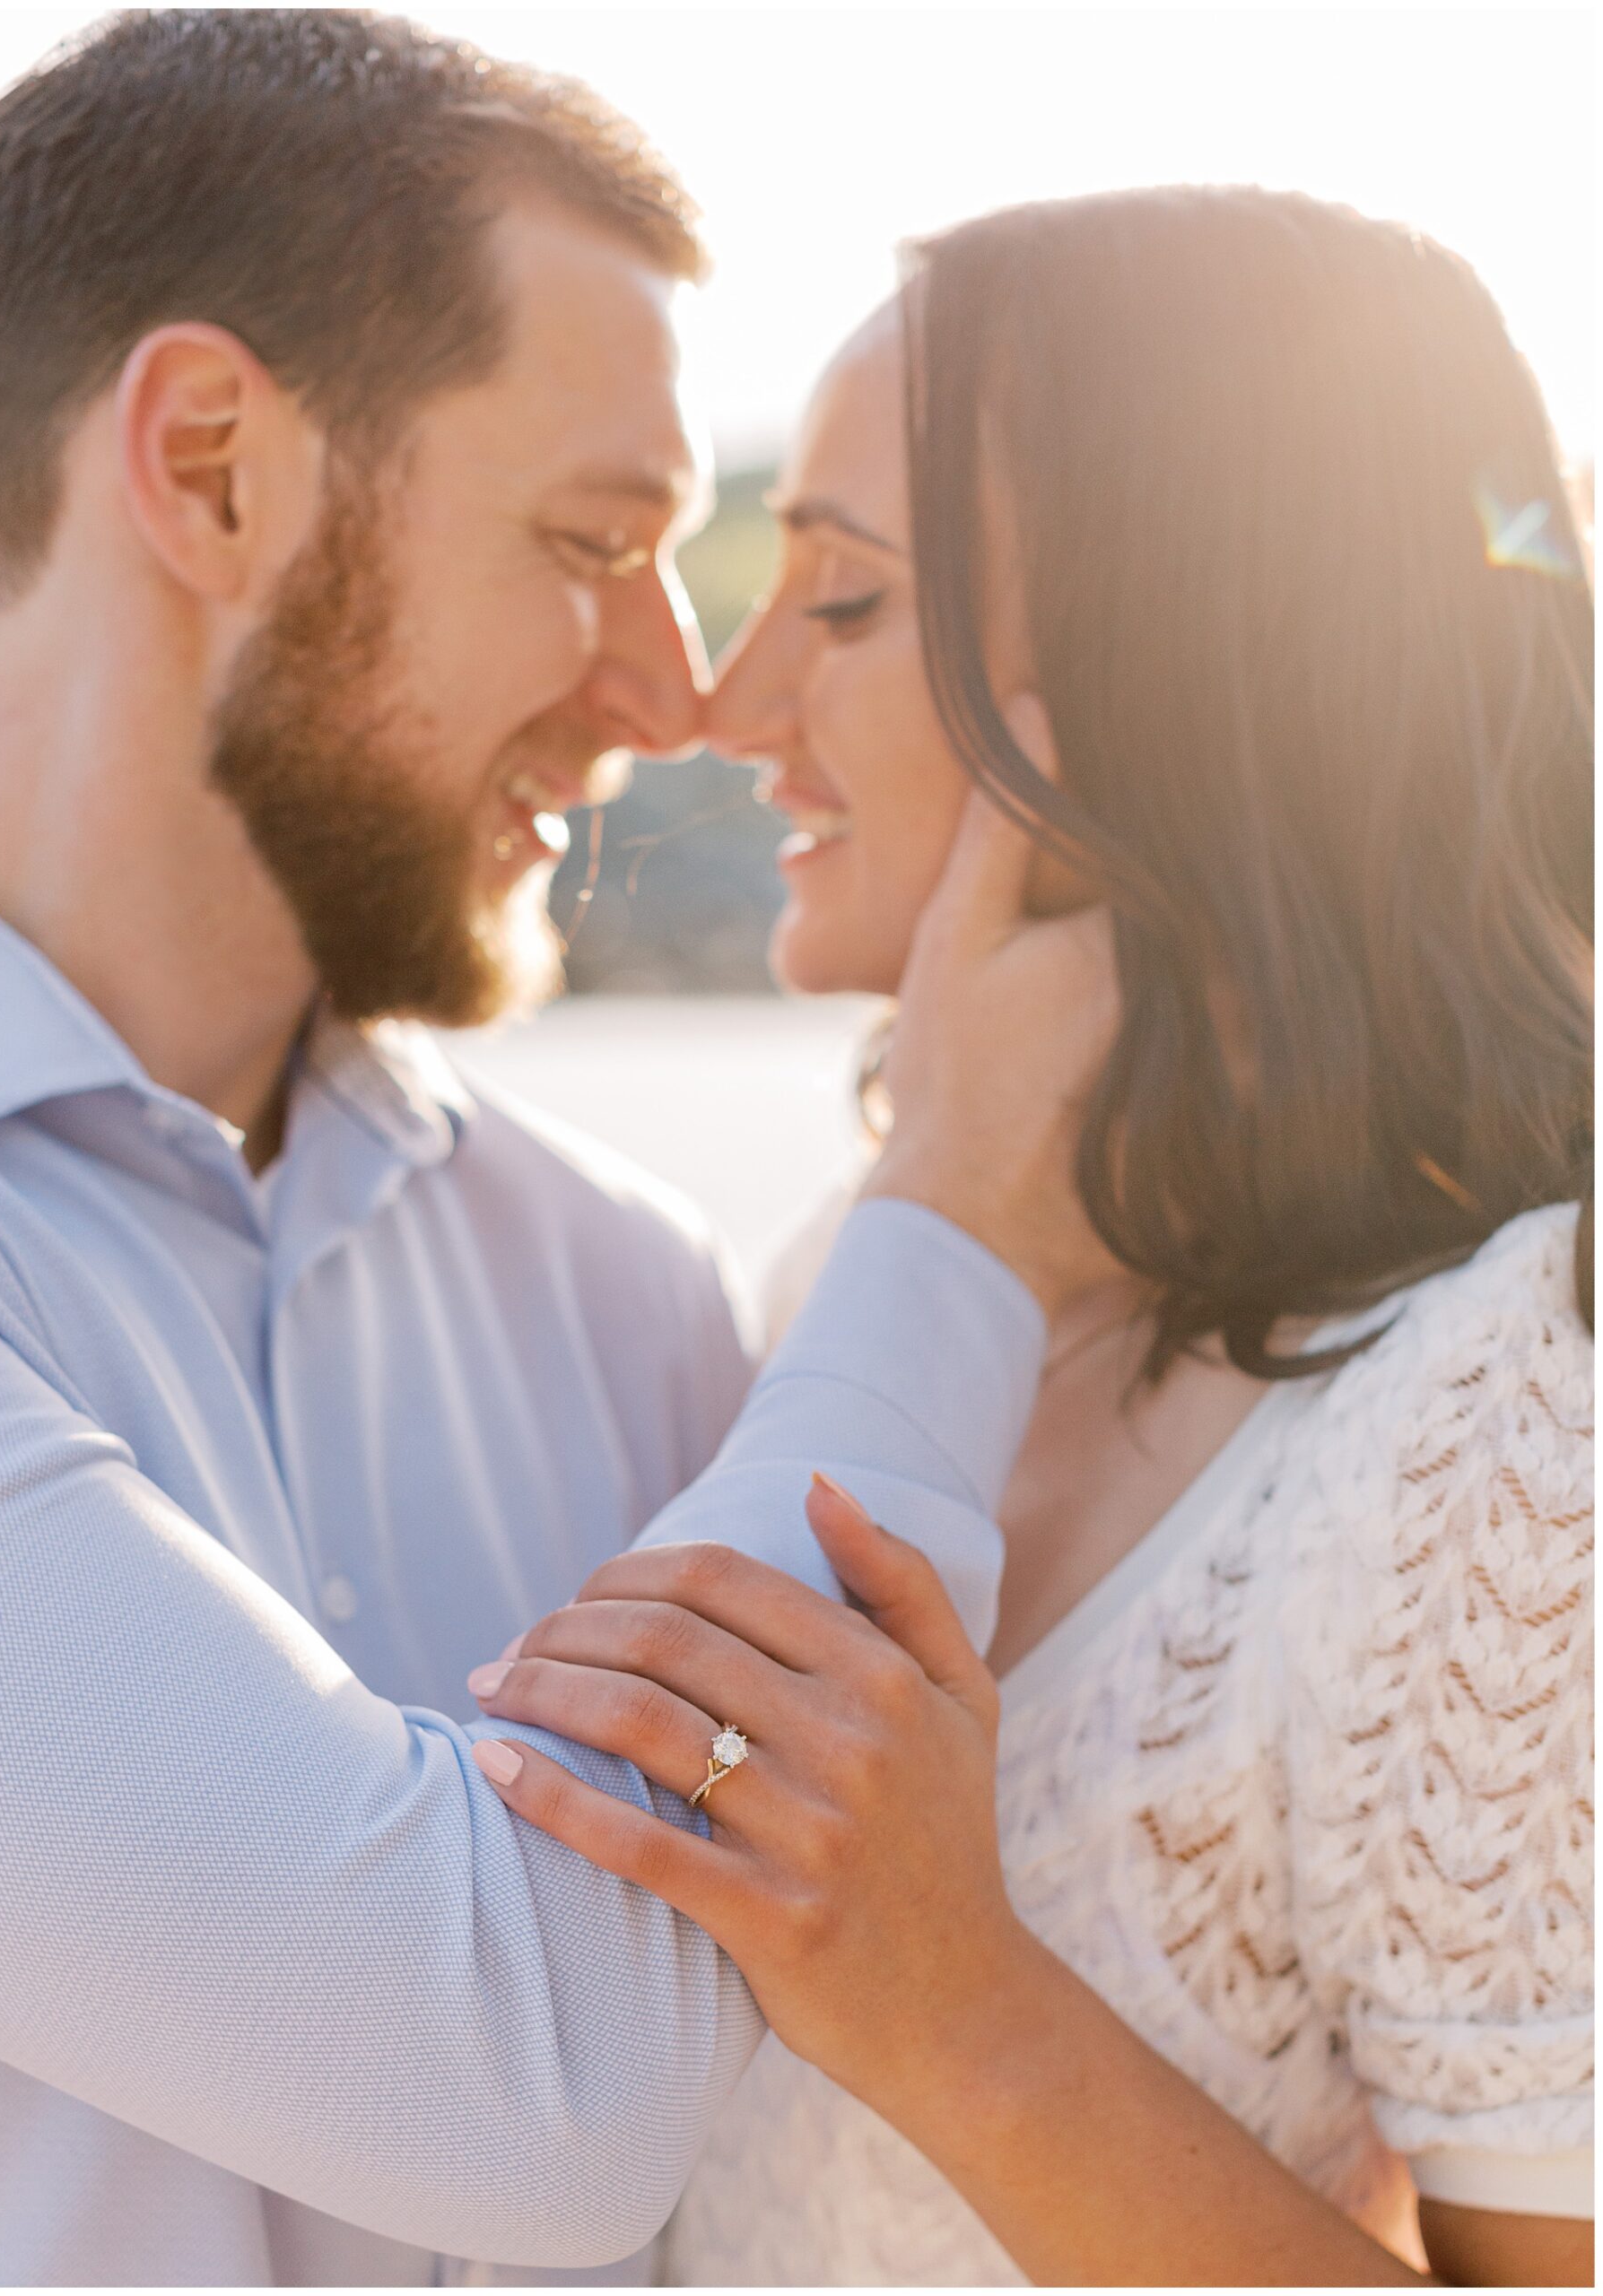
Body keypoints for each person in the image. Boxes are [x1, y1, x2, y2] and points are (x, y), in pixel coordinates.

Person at [0, 15, 1107, 2285]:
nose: (673, 693)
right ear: (214, 466)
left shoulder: (630, 1286)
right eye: (593, 543)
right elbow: (522, 2092)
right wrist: (961, 1209)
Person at [464, 187, 1596, 2286]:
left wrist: (956, 2006)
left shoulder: (1507, 1408)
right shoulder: (849, 1280)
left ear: (1182, 669)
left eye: (852, 600)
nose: (727, 704)